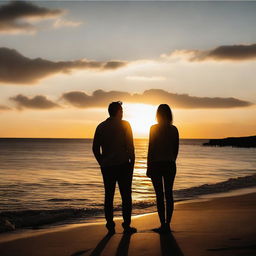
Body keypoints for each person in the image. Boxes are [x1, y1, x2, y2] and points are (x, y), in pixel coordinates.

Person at [92, 101, 137, 234]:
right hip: (123, 165)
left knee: (109, 196)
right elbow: (130, 147)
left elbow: (95, 148)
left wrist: (102, 162)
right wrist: (132, 164)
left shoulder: (101, 126)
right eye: (121, 111)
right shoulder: (125, 125)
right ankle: (126, 225)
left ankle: (110, 225)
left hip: (108, 166)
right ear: (118, 112)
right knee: (126, 196)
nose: (123, 113)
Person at [147, 104, 179, 233]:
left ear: (158, 115)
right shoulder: (174, 129)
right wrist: (171, 159)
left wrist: (148, 166)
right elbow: (176, 149)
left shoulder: (153, 128)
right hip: (170, 164)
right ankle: (168, 224)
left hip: (156, 164)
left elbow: (151, 149)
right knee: (169, 194)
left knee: (159, 196)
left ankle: (162, 224)